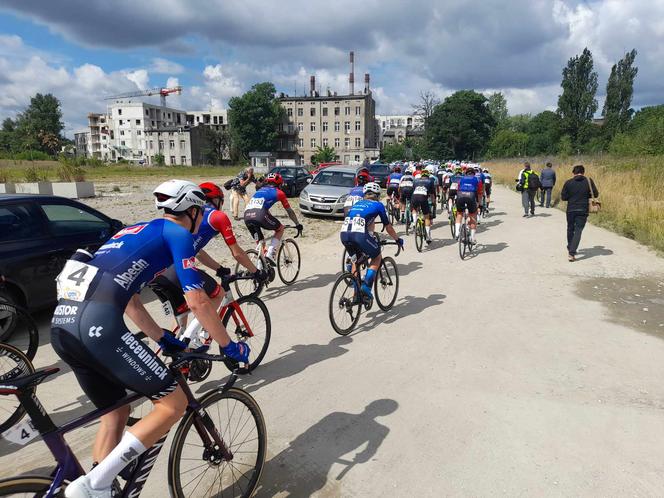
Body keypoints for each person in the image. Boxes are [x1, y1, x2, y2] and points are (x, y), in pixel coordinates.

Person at [54, 180, 250, 498]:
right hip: (97, 326)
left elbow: (131, 300)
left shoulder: (131, 232)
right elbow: (198, 299)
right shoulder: (178, 233)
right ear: (193, 210)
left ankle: (102, 486)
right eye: (201, 212)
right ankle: (95, 484)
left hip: (62, 328)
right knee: (174, 404)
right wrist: (229, 346)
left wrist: (162, 337)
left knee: (115, 413)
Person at [149, 182, 266, 320]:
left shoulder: (188, 214)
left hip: (155, 273)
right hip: (175, 268)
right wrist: (256, 272)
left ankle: (182, 340)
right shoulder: (218, 216)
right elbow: (237, 253)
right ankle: (205, 334)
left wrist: (219, 268)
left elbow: (198, 252)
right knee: (218, 293)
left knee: (183, 314)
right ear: (217, 200)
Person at [340, 182, 403, 304]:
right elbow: (388, 227)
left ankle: (356, 294)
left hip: (344, 234)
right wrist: (397, 239)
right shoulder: (378, 205)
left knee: (355, 260)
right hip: (359, 235)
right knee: (376, 257)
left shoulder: (357, 203)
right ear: (378, 195)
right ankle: (366, 287)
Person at [243, 172, 303, 265]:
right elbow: (289, 211)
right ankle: (271, 254)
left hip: (247, 216)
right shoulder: (279, 193)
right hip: (260, 214)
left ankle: (259, 272)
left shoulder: (260, 190)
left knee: (261, 244)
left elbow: (263, 208)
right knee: (280, 228)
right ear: (280, 184)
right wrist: (297, 224)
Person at [560, 165, 599, 262]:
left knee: (570, 228)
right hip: (583, 209)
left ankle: (570, 248)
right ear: (583, 172)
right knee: (578, 230)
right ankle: (572, 252)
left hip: (571, 209)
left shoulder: (568, 182)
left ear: (573, 172)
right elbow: (596, 194)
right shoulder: (588, 181)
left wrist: (571, 196)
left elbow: (563, 197)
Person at [454, 167, 481, 243]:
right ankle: (472, 238)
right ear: (474, 173)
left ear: (466, 173)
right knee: (473, 216)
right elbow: (479, 192)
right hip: (471, 196)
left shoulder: (461, 178)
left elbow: (458, 188)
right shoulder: (476, 179)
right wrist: (479, 203)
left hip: (460, 195)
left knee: (459, 214)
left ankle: (457, 233)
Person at [411, 169, 435, 243]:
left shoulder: (415, 180)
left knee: (414, 209)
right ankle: (428, 236)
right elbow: (432, 194)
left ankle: (414, 222)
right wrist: (433, 202)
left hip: (414, 197)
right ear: (428, 176)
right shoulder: (430, 181)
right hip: (423, 198)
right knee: (426, 217)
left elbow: (413, 190)